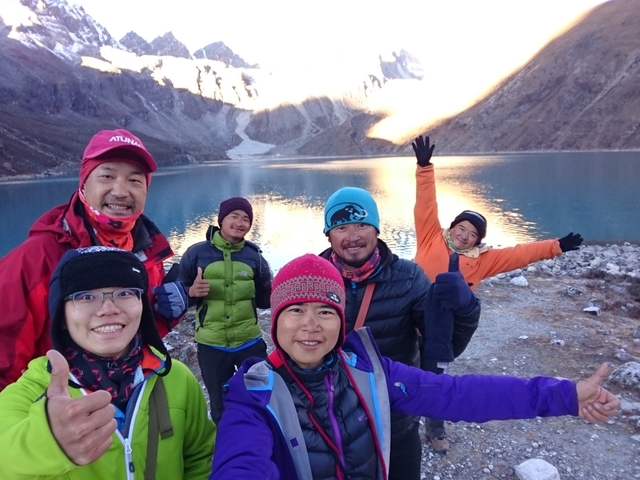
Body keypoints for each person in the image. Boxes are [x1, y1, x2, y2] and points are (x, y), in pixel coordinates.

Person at [209, 253, 620, 480]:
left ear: (342, 319)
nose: (311, 326)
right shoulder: (252, 396)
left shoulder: (369, 373)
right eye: (295, 310)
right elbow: (240, 462)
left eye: (325, 311)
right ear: (275, 319)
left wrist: (564, 394)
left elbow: (457, 396)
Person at [0, 246, 216, 479]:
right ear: (61, 317)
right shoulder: (33, 390)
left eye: (124, 293)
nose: (109, 309)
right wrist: (45, 442)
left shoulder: (176, 379)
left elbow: (200, 458)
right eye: (86, 296)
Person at [0, 129, 188, 392]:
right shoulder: (35, 260)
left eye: (135, 180)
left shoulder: (146, 253)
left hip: (128, 402)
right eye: (107, 176)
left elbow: (124, 333)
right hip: (56, 412)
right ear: (84, 184)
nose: (121, 191)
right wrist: (31, 422)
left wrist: (162, 317)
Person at [319, 187, 481, 473]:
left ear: (377, 230)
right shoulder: (314, 278)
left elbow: (444, 345)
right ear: (329, 234)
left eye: (362, 225)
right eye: (341, 226)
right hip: (332, 421)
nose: (353, 236)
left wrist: (465, 308)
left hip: (396, 420)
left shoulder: (408, 277)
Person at [411, 134, 584, 291]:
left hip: (445, 321)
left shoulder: (483, 261)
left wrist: (555, 246)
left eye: (473, 235)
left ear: (477, 241)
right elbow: (425, 204)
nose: (465, 236)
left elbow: (519, 254)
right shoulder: (431, 236)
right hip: (411, 311)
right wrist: (424, 168)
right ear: (453, 226)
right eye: (462, 228)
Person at [177, 196, 272, 424]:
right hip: (212, 344)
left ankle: (264, 442)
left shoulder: (255, 258)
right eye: (234, 216)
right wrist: (190, 292)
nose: (240, 223)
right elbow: (177, 294)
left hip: (249, 340)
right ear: (221, 220)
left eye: (246, 219)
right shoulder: (196, 253)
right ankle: (226, 447)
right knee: (220, 405)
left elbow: (263, 300)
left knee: (263, 398)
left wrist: (285, 289)